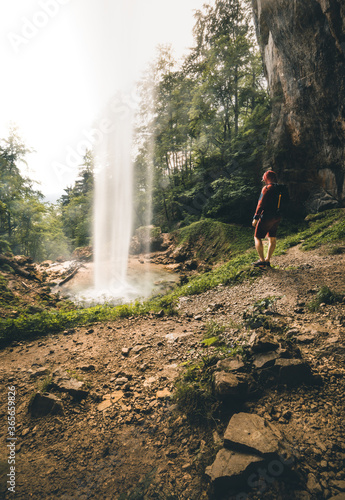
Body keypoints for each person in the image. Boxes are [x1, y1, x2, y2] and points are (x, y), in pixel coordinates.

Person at [252, 170, 281, 267]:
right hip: (278, 216)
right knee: (272, 238)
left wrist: (256, 217)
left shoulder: (267, 188)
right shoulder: (281, 188)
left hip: (267, 216)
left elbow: (260, 204)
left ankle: (262, 261)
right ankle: (268, 260)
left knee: (257, 237)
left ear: (266, 178)